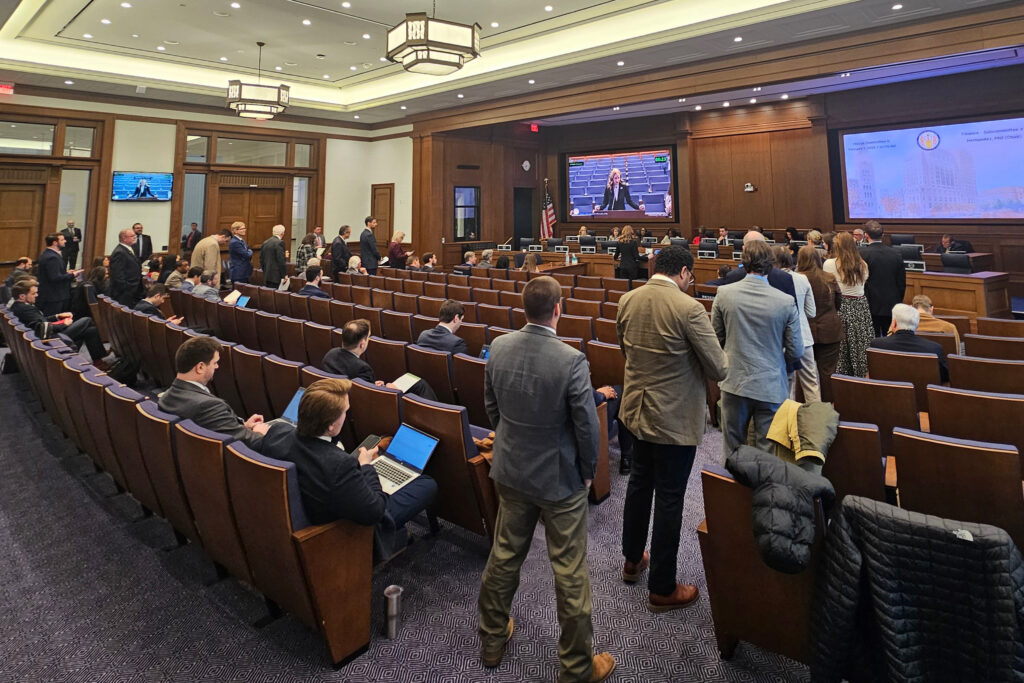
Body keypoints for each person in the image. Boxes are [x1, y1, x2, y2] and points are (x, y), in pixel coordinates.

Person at [477, 276, 614, 682]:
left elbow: (492, 407)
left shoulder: (499, 346)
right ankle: (576, 668)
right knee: (569, 571)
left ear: (525, 308)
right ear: (558, 309)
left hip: (510, 469)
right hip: (559, 479)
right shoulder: (571, 359)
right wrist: (588, 472)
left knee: (504, 554)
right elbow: (587, 426)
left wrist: (512, 442)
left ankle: (492, 638)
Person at [616, 245, 727, 612]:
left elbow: (626, 352)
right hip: (673, 417)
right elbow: (719, 368)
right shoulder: (689, 308)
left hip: (636, 411)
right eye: (690, 277)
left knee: (638, 484)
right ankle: (662, 587)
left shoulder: (628, 299)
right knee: (669, 496)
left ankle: (632, 560)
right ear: (683, 272)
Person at [259, 378, 438, 542]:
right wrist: (366, 466)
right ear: (331, 425)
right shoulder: (340, 464)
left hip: (308, 509)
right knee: (426, 484)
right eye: (345, 411)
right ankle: (394, 537)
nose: (347, 415)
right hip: (341, 528)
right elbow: (375, 512)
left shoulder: (277, 432)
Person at [712, 240, 803, 459]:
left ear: (743, 262)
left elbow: (715, 339)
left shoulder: (724, 294)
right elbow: (796, 350)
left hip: (734, 380)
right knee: (768, 453)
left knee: (732, 449)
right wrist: (777, 363)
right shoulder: (785, 301)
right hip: (771, 383)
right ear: (771, 264)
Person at [158, 336, 270, 449]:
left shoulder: (167, 396)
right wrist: (259, 432)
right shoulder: (207, 405)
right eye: (215, 362)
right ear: (200, 367)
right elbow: (251, 443)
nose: (217, 366)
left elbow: (209, 426)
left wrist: (242, 426)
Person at [322, 319, 437, 399]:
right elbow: (370, 398)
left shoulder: (330, 354)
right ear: (362, 344)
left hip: (337, 399)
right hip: (362, 407)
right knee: (421, 385)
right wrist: (390, 390)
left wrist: (372, 385)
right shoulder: (362, 368)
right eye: (368, 337)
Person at [11, 278, 110, 368]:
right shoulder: (25, 309)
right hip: (51, 338)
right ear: (22, 296)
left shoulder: (19, 306)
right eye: (33, 294)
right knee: (87, 320)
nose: (36, 295)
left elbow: (41, 321)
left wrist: (58, 316)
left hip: (50, 335)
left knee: (90, 330)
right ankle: (98, 356)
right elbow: (42, 329)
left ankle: (98, 361)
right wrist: (64, 324)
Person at [797, 246, 843, 402]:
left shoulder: (796, 279)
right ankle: (828, 408)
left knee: (803, 373)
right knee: (828, 373)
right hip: (829, 329)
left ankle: (804, 408)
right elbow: (838, 302)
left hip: (804, 332)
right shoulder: (829, 277)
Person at [824, 232, 873, 377]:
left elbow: (828, 286)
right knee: (861, 345)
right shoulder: (863, 265)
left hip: (841, 305)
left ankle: (843, 378)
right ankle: (862, 377)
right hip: (860, 306)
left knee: (841, 346)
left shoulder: (829, 264)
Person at [775, 247, 819, 402]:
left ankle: (785, 416)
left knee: (785, 382)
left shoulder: (770, 280)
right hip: (803, 336)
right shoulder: (802, 279)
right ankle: (815, 416)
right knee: (811, 382)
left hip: (781, 339)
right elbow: (811, 312)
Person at [870, 303, 949, 382]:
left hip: (886, 389)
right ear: (917, 325)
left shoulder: (876, 345)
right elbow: (945, 377)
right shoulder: (934, 349)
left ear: (894, 324)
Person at [859, 220, 906, 337]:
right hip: (891, 304)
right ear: (883, 235)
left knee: (872, 340)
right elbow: (901, 283)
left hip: (869, 304)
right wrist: (897, 301)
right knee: (890, 338)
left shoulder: (861, 254)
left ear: (866, 235)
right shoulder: (896, 254)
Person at [720, 231, 797, 300]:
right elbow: (792, 308)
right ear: (765, 248)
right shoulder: (784, 277)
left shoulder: (732, 276)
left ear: (744, 248)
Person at [37, 232, 81, 315]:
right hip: (53, 296)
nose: (65, 241)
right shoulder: (52, 257)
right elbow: (55, 277)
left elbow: (53, 273)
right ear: (55, 243)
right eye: (62, 240)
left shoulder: (49, 254)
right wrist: (73, 275)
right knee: (53, 319)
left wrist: (66, 272)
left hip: (53, 295)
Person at [108, 228, 143, 307]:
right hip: (125, 293)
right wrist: (128, 290)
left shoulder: (129, 249)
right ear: (124, 238)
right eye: (132, 236)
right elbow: (118, 275)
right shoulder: (119, 252)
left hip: (134, 291)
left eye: (135, 236)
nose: (135, 237)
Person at [260, 224, 287, 289]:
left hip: (267, 275)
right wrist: (284, 275)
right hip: (276, 276)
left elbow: (261, 259)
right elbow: (281, 261)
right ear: (282, 233)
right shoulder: (280, 243)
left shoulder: (265, 242)